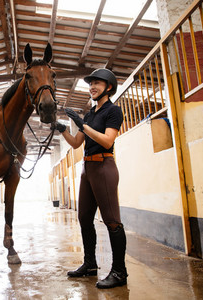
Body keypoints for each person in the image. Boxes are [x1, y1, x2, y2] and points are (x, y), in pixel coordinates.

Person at [54, 68, 127, 289]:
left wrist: (82, 124)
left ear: (109, 87)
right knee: (84, 218)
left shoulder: (113, 111)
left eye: (97, 83)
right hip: (87, 169)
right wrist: (63, 129)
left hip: (104, 166)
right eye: (90, 84)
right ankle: (90, 264)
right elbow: (77, 143)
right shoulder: (91, 114)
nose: (92, 87)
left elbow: (107, 140)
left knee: (112, 220)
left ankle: (119, 272)